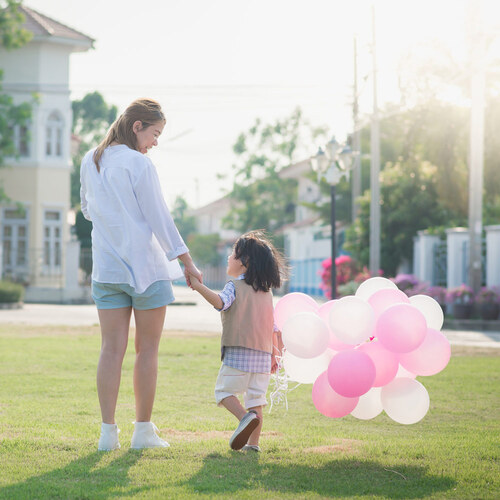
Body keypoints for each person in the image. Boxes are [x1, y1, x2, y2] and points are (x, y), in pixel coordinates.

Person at [80, 98, 202, 451]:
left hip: (106, 269)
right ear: (137, 126)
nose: (156, 142)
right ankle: (143, 433)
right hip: (146, 271)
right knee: (147, 350)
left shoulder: (91, 159)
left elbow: (87, 209)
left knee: (110, 350)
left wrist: (114, 221)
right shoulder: (139, 164)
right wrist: (187, 261)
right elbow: (159, 217)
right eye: (155, 133)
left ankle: (107, 436)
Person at [189, 230, 287, 452]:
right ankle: (253, 445)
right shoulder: (266, 293)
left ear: (245, 262)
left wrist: (198, 286)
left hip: (239, 353)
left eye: (233, 253)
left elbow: (220, 302)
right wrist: (275, 354)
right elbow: (273, 327)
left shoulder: (234, 286)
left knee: (223, 393)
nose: (228, 257)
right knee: (256, 401)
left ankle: (244, 418)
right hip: (263, 357)